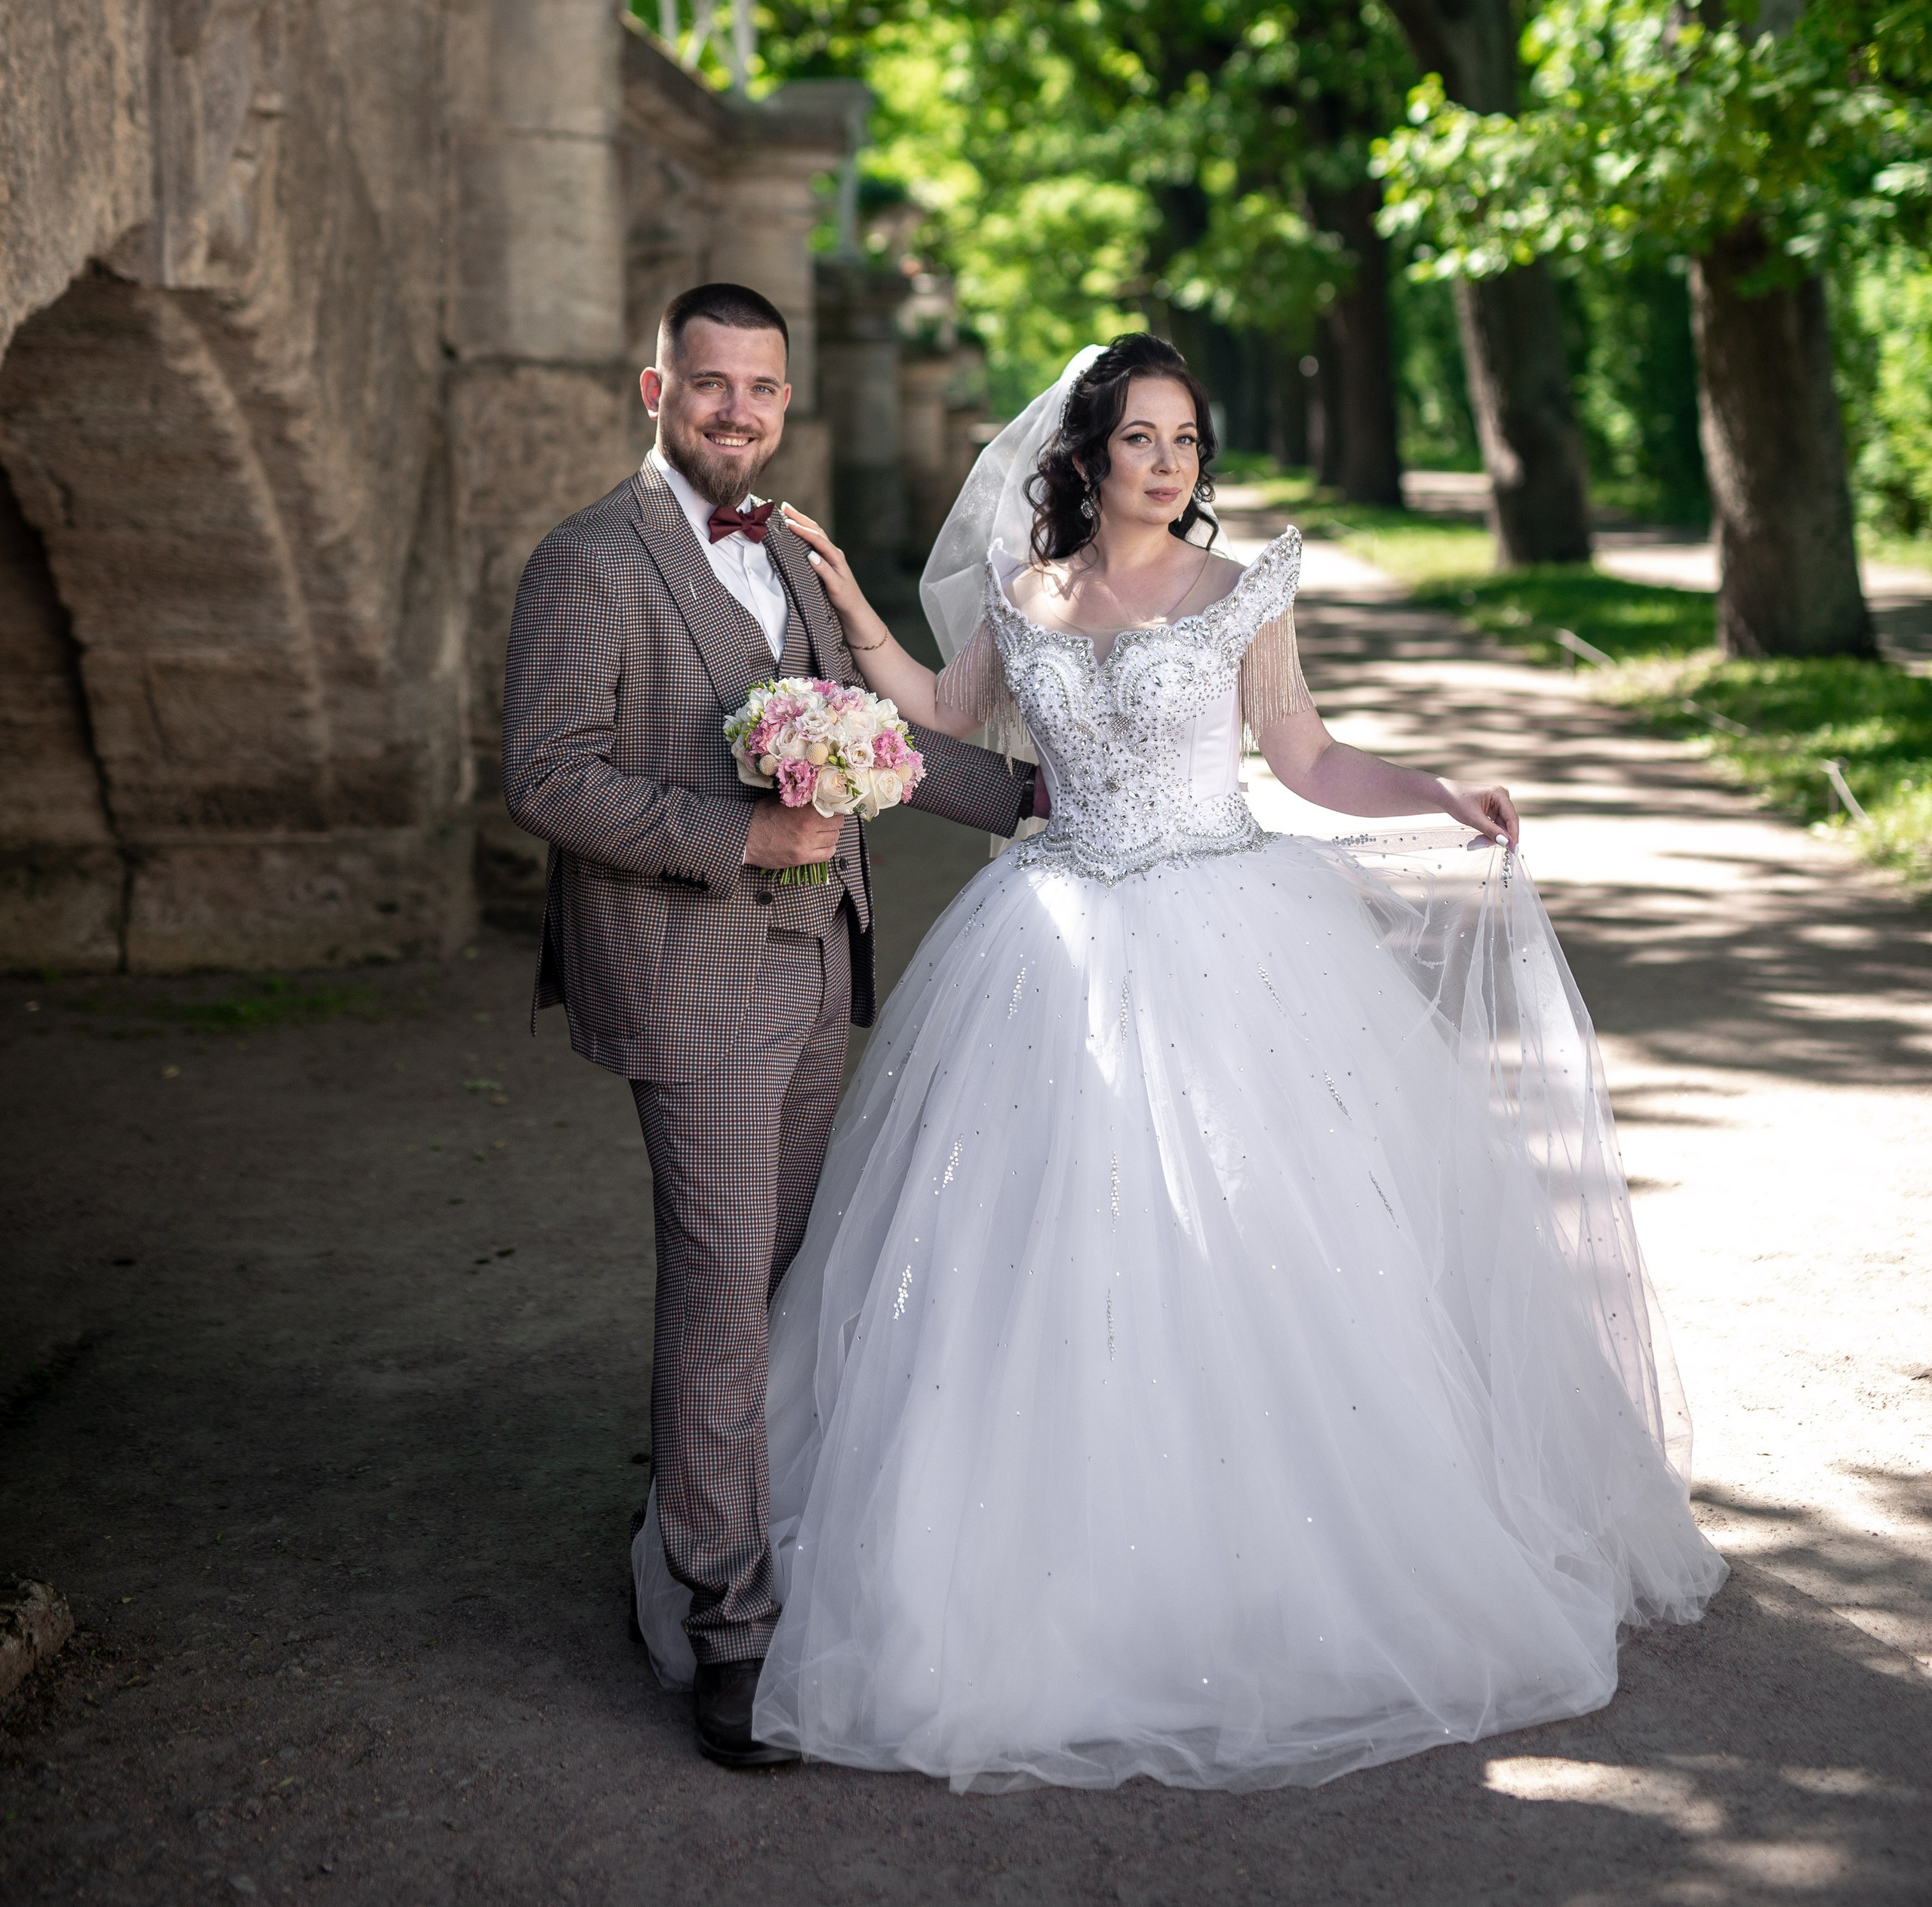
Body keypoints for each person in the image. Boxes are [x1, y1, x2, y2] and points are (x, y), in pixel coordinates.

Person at [635, 333, 1727, 1790]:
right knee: (1031, 1251)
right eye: (1142, 438)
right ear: (1085, 456)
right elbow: (942, 712)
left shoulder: (1241, 591)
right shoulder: (1031, 596)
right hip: (1057, 938)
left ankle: (1282, 1567)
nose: (1169, 464)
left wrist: (1435, 791)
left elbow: (1309, 757)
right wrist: (842, 602)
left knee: (1259, 1244)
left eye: (1187, 442)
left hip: (1231, 929)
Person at [501, 283, 1043, 1771]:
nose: (736, 410)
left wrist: (1034, 799)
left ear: (785, 401)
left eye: (761, 388)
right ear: (653, 387)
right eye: (710, 385)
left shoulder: (794, 548)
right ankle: (726, 1621)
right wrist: (733, 838)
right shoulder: (589, 563)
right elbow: (544, 777)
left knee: (790, 1284)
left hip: (819, 975)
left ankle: (694, 1511)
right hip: (688, 982)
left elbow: (869, 733)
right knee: (722, 1289)